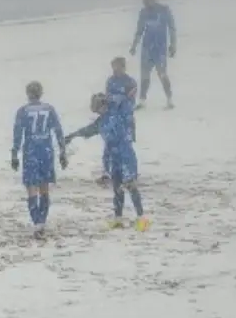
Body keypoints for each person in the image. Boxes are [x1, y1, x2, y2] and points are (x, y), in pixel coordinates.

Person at [67, 92, 146, 229]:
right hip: (113, 156)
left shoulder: (118, 114)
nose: (98, 111)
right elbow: (87, 130)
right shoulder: (101, 121)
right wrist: (72, 136)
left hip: (125, 154)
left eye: (99, 107)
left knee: (131, 185)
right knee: (117, 188)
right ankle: (118, 218)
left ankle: (141, 218)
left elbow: (125, 102)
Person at [11, 81, 67, 239]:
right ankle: (41, 222)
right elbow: (58, 131)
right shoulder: (49, 109)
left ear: (27, 93)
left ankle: (36, 222)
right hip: (46, 151)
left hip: (31, 152)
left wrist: (14, 154)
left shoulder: (22, 111)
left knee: (31, 188)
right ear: (41, 93)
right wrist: (62, 151)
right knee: (44, 188)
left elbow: (17, 134)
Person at [129, 0, 176, 109]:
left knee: (162, 74)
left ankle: (169, 99)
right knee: (145, 76)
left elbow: (171, 28)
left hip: (160, 48)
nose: (145, 2)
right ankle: (142, 100)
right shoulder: (143, 13)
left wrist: (173, 44)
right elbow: (139, 31)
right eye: (143, 0)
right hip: (147, 48)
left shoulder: (164, 10)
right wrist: (134, 45)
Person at [99, 56, 139, 184]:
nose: (114, 70)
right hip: (112, 118)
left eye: (117, 67)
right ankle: (106, 172)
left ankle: (132, 173)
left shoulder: (130, 82)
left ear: (123, 67)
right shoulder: (110, 81)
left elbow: (129, 101)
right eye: (113, 67)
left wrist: (116, 99)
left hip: (125, 118)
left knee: (127, 147)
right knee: (109, 145)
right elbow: (108, 98)